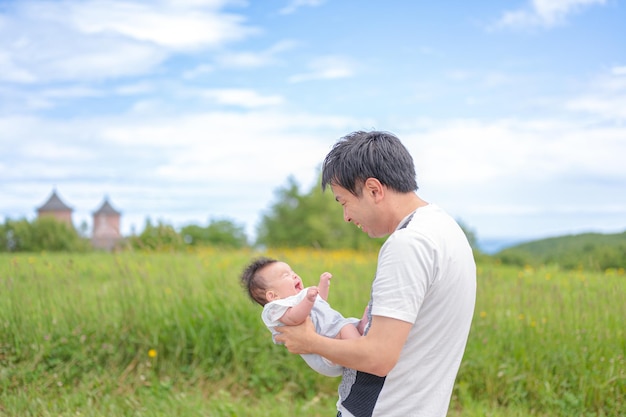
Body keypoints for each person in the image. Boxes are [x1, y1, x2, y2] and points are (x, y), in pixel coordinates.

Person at [274, 131, 477, 417]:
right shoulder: (445, 229)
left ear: (373, 189)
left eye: (343, 201)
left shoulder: (407, 243)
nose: (345, 216)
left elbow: (378, 357)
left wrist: (309, 341)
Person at [240, 257, 366, 377]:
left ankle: (363, 334)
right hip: (323, 354)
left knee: (354, 324)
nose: (294, 275)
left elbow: (321, 302)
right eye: (286, 275)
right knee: (347, 327)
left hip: (332, 334)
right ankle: (362, 352)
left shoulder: (301, 297)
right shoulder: (277, 307)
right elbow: (294, 318)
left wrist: (323, 285)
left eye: (292, 272)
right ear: (273, 296)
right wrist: (308, 300)